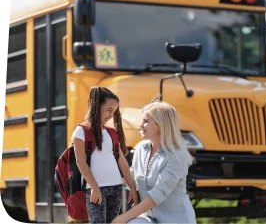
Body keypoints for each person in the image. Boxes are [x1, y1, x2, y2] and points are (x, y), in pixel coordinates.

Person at [111, 101, 196, 224]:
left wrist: (124, 217)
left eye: (146, 121)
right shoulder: (140, 149)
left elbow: (157, 196)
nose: (141, 125)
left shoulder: (178, 156)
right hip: (151, 218)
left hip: (176, 220)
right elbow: (131, 178)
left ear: (161, 125)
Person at [72, 86, 138, 224]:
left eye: (113, 112)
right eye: (109, 110)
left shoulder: (112, 133)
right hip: (96, 189)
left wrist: (132, 186)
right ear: (97, 106)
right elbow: (80, 162)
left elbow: (121, 160)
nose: (110, 115)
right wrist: (94, 187)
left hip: (116, 188)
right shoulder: (81, 131)